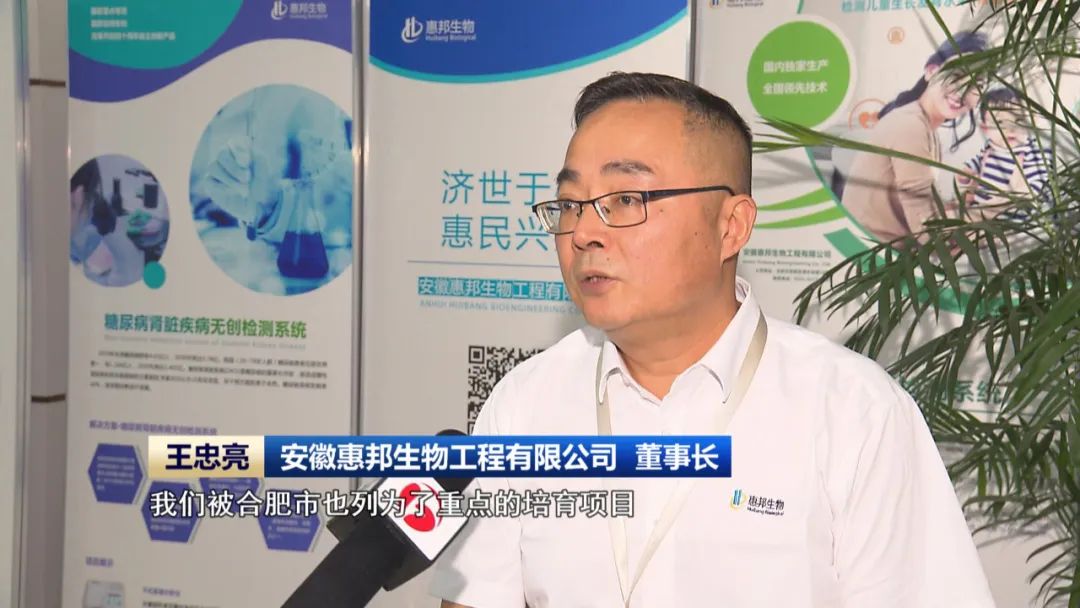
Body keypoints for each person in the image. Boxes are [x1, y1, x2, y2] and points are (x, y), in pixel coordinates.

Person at [429, 72, 995, 607]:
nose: (584, 233)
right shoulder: (526, 402)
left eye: (626, 200)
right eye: (572, 204)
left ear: (731, 226)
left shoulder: (852, 412)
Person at [841, 32, 987, 244]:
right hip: (872, 254)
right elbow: (927, 232)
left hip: (890, 252)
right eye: (956, 75)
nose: (963, 91)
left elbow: (927, 210)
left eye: (977, 84)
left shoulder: (927, 128)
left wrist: (967, 199)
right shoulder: (910, 126)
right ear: (931, 71)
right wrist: (992, 225)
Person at [957, 87, 1052, 222]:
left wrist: (1020, 196)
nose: (1010, 129)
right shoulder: (990, 149)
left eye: (1019, 121)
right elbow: (977, 162)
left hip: (1011, 218)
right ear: (985, 129)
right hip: (980, 209)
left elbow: (1039, 184)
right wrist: (966, 173)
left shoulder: (1033, 152)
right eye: (999, 122)